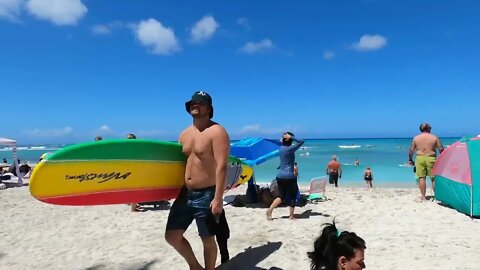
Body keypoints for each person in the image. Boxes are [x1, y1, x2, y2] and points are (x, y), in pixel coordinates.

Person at [165, 91, 230, 270]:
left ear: (209, 108)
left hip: (208, 193)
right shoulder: (184, 134)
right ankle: (195, 266)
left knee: (207, 239)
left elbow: (222, 166)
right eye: (193, 103)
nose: (196, 105)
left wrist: (218, 199)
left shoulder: (217, 131)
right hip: (186, 193)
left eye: (200, 103)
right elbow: (179, 164)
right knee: (172, 236)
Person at [266, 132, 304, 220]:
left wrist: (285, 138)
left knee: (281, 196)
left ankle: (270, 210)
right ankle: (291, 216)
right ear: (290, 141)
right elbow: (301, 141)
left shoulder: (281, 149)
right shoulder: (290, 149)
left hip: (280, 176)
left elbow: (281, 141)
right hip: (289, 176)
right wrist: (291, 137)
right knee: (293, 196)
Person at [408, 123, 444, 201]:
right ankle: (437, 196)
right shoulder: (434, 137)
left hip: (420, 158)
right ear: (427, 129)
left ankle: (423, 197)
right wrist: (443, 158)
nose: (431, 129)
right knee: (433, 178)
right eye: (430, 128)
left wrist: (410, 159)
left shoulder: (416, 138)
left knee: (421, 178)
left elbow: (411, 150)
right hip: (431, 158)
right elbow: (441, 149)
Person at [126, 133, 140, 212]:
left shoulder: (136, 147)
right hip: (127, 170)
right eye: (128, 138)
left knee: (134, 188)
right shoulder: (125, 148)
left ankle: (133, 207)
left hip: (135, 170)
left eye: (130, 138)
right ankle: (132, 207)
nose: (129, 140)